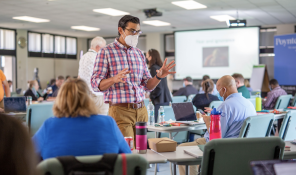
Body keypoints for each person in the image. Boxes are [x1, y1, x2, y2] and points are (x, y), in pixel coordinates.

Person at [91, 15, 175, 144]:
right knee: (127, 153)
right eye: (132, 31)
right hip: (120, 111)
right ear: (121, 30)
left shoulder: (139, 54)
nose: (135, 34)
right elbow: (95, 84)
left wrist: (159, 76)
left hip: (141, 110)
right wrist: (114, 79)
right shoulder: (106, 52)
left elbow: (148, 85)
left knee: (142, 152)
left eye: (138, 31)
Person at [33, 79, 131, 160]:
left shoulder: (49, 126)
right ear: (89, 99)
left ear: (60, 100)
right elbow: (129, 158)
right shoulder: (109, 124)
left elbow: (26, 155)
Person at [178, 75, 256, 175]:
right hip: (241, 147)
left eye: (218, 90)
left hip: (222, 147)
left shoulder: (225, 106)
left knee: (182, 148)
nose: (218, 93)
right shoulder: (249, 104)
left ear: (224, 89)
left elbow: (215, 139)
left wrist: (207, 121)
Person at [78, 36, 109, 115]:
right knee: (102, 120)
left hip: (85, 94)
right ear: (98, 47)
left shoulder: (83, 57)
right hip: (97, 95)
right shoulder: (98, 57)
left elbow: (79, 77)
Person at [146, 49, 172, 122]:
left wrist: (151, 96)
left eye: (147, 56)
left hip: (158, 100)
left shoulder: (153, 68)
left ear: (151, 57)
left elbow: (158, 87)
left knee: (157, 124)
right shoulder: (160, 68)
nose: (146, 58)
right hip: (165, 98)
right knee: (164, 123)